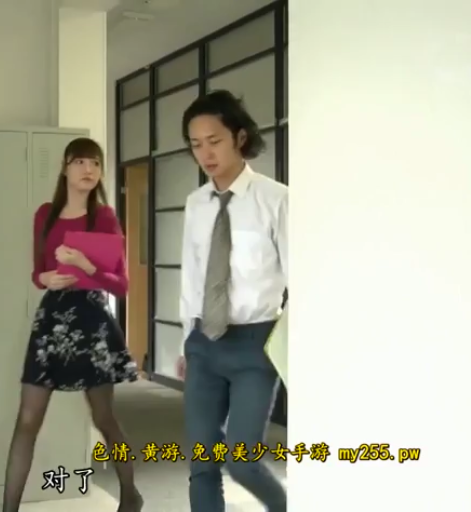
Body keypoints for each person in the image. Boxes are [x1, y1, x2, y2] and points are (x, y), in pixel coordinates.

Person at [1, 137, 142, 512]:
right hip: (52, 319)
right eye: (80, 162)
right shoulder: (45, 214)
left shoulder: (104, 218)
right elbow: (37, 271)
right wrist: (44, 278)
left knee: (104, 417)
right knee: (27, 418)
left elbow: (121, 285)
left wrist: (84, 264)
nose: (88, 169)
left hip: (92, 320)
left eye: (95, 163)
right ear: (65, 168)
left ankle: (130, 494)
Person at [176, 90, 288, 512]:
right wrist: (187, 341)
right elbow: (192, 275)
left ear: (239, 137)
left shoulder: (276, 199)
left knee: (242, 462)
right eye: (195, 144)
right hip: (204, 344)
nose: (205, 153)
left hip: (256, 345)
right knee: (202, 464)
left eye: (214, 141)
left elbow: (301, 280)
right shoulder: (196, 204)